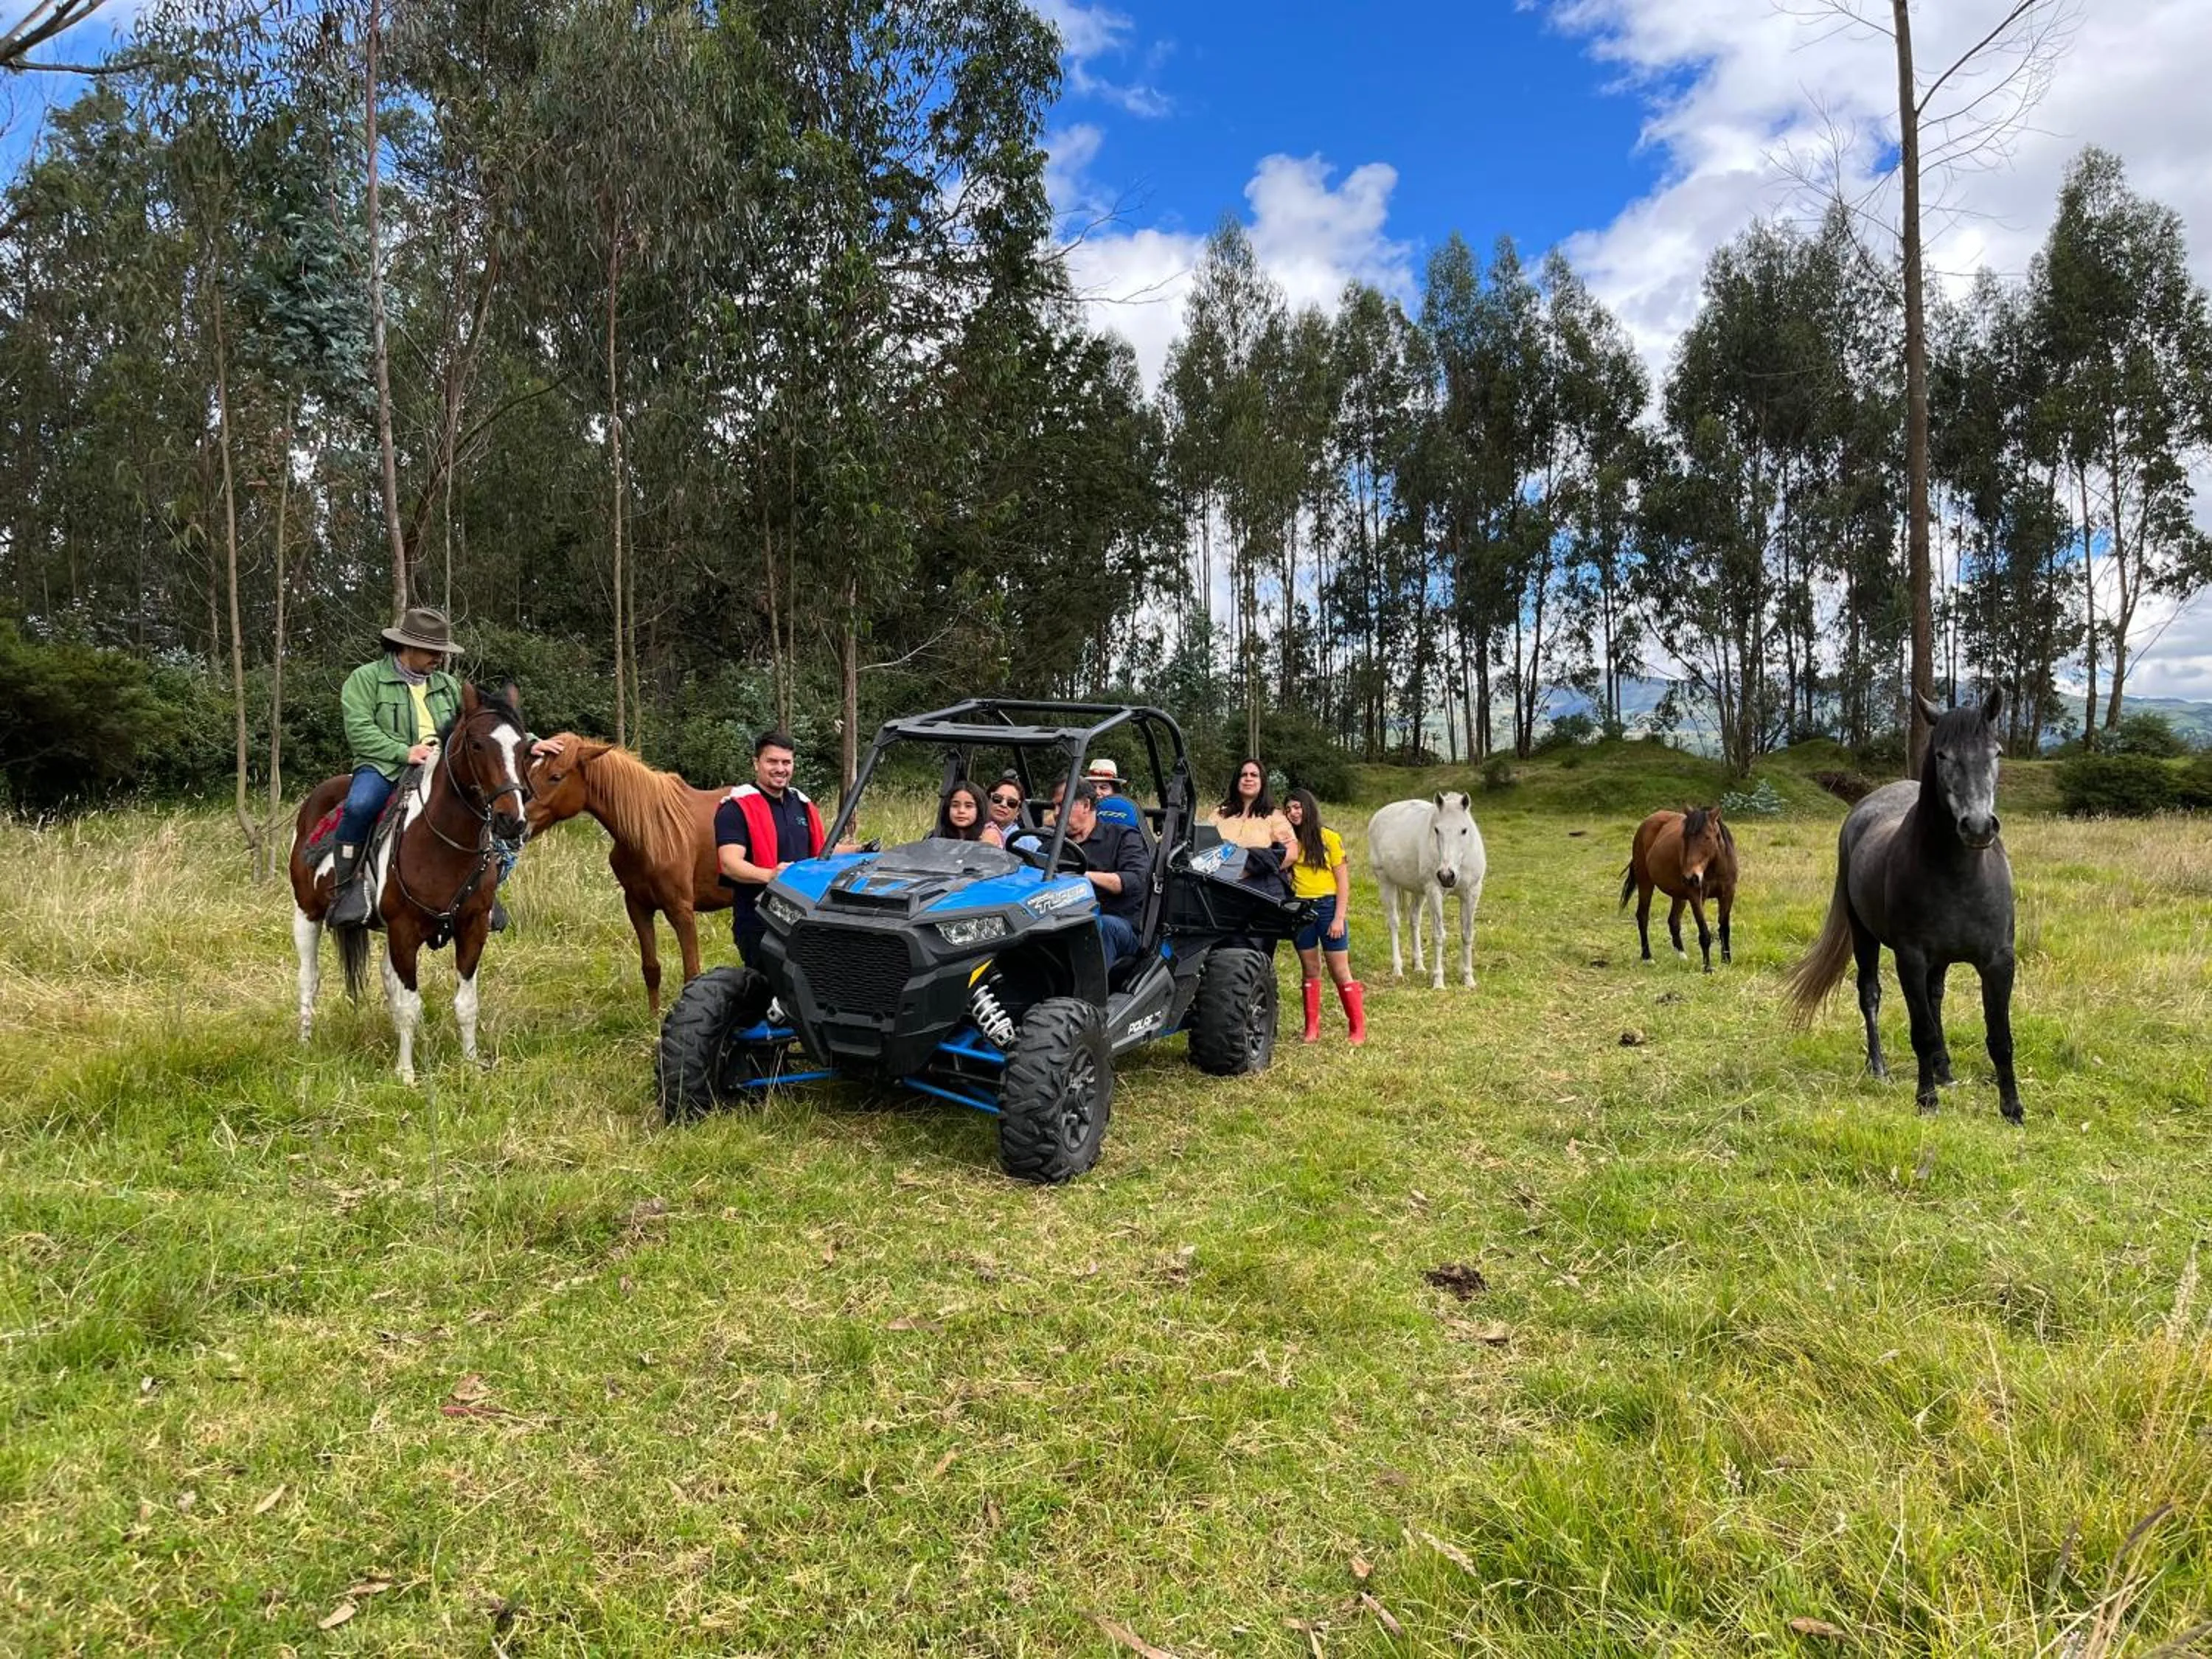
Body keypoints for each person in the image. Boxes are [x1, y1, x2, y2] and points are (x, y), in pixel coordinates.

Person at [328, 605, 558, 928]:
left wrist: (531, 742)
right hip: (385, 765)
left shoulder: (448, 685)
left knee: (488, 807)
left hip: (441, 768)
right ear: (406, 646)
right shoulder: (366, 680)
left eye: (441, 650)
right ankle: (348, 889)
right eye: (432, 650)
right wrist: (403, 751)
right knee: (360, 805)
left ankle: (484, 889)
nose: (439, 657)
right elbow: (359, 729)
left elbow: (487, 722)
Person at [715, 730, 827, 966]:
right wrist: (770, 875)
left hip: (806, 916)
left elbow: (819, 852)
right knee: (766, 991)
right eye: (772, 761)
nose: (780, 768)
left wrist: (862, 849)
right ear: (757, 763)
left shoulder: (801, 804)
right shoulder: (736, 809)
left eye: (786, 762)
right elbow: (729, 864)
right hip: (760, 920)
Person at [1284, 788, 1365, 1046]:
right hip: (1301, 909)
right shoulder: (1288, 842)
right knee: (1310, 969)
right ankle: (1311, 1030)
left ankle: (1357, 1029)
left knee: (1339, 970)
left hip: (1328, 907)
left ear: (1308, 808)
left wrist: (1339, 917)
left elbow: (1343, 881)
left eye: (1297, 807)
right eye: (1289, 809)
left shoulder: (1329, 838)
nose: (1293, 813)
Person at [1063, 783, 1147, 970]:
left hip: (1118, 923)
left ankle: (1088, 997)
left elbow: (1133, 881)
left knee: (1101, 927)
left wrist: (1083, 876)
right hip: (1063, 921)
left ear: (1086, 806)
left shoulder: (1124, 837)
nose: (1056, 813)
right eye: (1054, 806)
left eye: (1063, 806)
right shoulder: (1053, 844)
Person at [1208, 758, 1293, 857]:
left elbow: (1291, 853)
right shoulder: (1220, 812)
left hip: (1259, 871)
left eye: (1254, 775)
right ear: (1237, 781)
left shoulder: (1276, 816)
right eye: (1244, 775)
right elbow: (1201, 843)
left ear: (1262, 782)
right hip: (1216, 870)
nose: (1248, 779)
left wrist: (1265, 869)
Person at [1084, 756, 1145, 836]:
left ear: (1115, 791)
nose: (1097, 792)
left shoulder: (1124, 815)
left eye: (1103, 788)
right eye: (1093, 787)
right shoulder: (1080, 811)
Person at [934, 780, 995, 844]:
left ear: (979, 809)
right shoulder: (936, 836)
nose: (961, 811)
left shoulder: (988, 835)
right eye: (955, 805)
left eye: (968, 806)